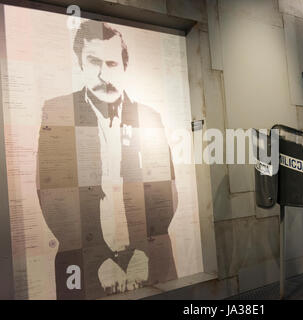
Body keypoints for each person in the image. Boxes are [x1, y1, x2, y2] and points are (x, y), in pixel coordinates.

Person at [36, 20, 178, 299]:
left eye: (112, 64)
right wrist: (99, 261)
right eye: (93, 62)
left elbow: (165, 192)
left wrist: (142, 252)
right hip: (84, 263)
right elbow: (54, 201)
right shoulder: (58, 111)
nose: (103, 73)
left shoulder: (149, 117)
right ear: (80, 63)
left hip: (149, 258)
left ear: (124, 67)